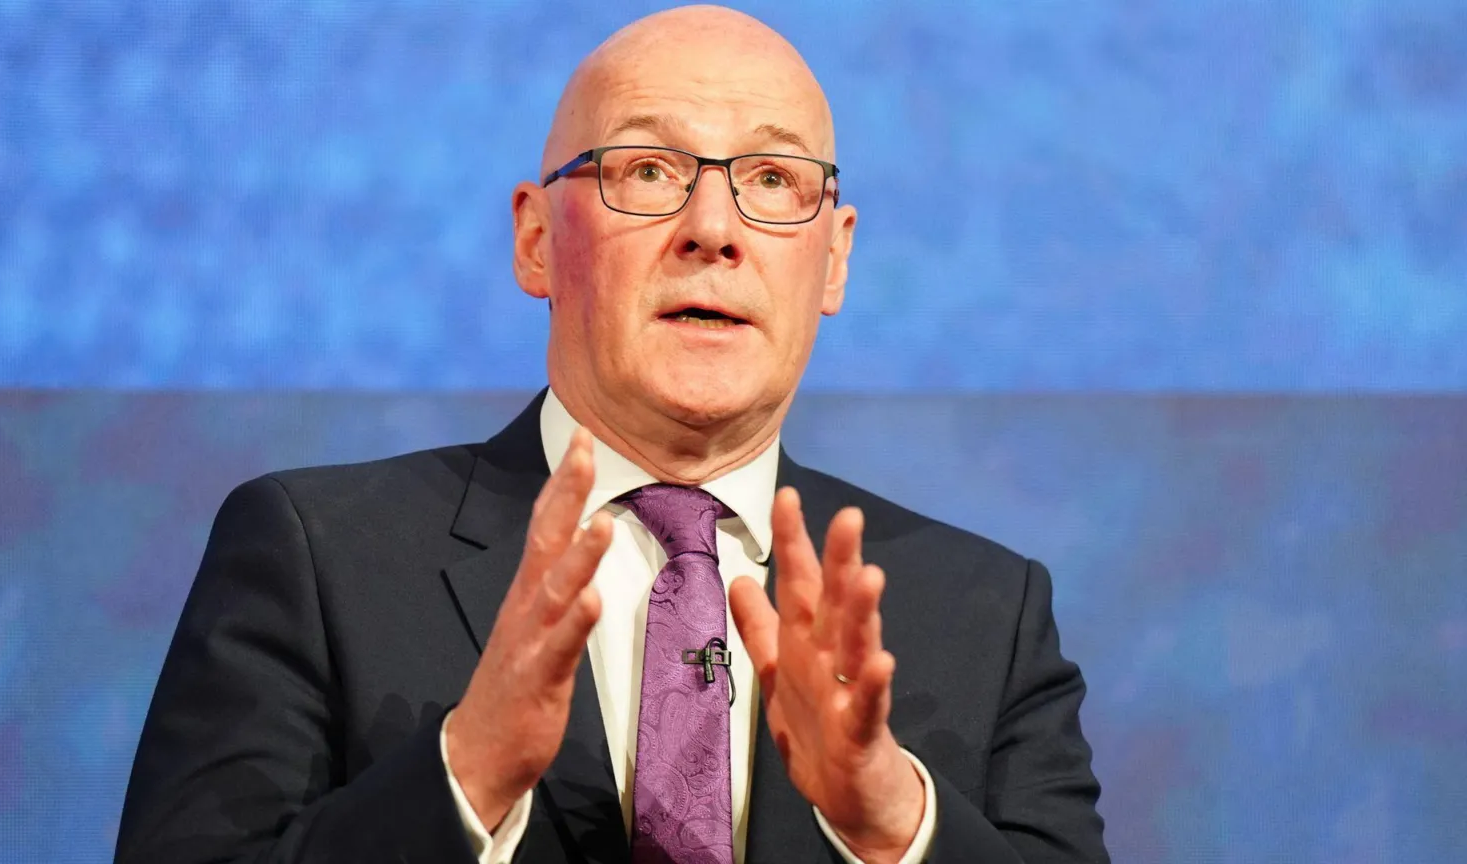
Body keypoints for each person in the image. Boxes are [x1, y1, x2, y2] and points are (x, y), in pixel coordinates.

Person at [115, 5, 1107, 863]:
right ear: (537, 239)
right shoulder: (316, 555)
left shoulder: (989, 613)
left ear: (834, 258)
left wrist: (893, 823)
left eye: (771, 179)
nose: (712, 227)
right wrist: (468, 775)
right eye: (647, 168)